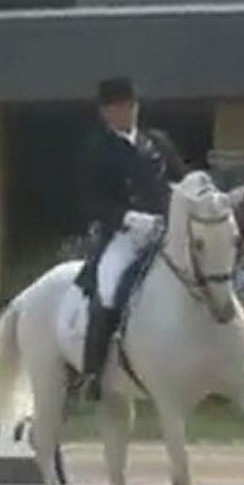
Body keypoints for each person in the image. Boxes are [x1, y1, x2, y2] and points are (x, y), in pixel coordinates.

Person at [75, 77, 187, 400]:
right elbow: (92, 201)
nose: (129, 112)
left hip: (165, 231)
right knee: (109, 289)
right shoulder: (96, 151)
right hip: (125, 236)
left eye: (132, 105)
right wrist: (128, 218)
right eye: (121, 107)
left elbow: (183, 178)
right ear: (106, 112)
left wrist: (207, 194)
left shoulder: (157, 142)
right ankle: (92, 372)